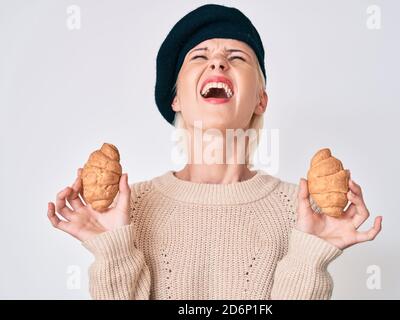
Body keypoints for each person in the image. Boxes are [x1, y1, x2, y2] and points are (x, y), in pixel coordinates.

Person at [47, 4, 382, 300]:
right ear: (175, 98)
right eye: (199, 56)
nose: (218, 62)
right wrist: (113, 248)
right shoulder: (128, 210)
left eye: (237, 57)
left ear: (260, 100)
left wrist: (312, 253)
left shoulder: (304, 215)